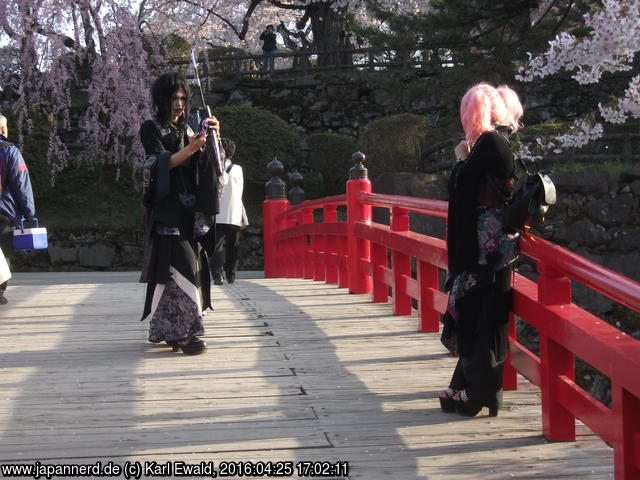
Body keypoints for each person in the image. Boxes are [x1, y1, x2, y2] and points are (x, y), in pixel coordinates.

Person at [439, 83, 523, 417]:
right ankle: (470, 390)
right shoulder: (500, 142)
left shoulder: (489, 142)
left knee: (477, 318)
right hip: (494, 247)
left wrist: (460, 158)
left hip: (484, 251)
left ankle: (479, 395)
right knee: (482, 318)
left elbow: (462, 186)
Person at [139, 72, 221, 355]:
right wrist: (191, 148)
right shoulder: (150, 129)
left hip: (190, 213)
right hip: (166, 211)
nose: (179, 103)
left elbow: (207, 165)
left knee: (182, 270)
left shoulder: (188, 129)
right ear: (161, 99)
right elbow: (161, 163)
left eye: (183, 98)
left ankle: (170, 330)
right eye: (174, 98)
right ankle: (186, 332)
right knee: (182, 265)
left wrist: (212, 136)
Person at [0, 113, 36, 305]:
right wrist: (29, 211)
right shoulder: (9, 151)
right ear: (3, 129)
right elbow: (21, 183)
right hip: (3, 212)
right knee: (2, 253)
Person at [211, 138, 246, 285]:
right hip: (235, 213)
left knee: (216, 246)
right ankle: (231, 274)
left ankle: (217, 276)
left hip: (218, 212)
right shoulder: (238, 169)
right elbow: (240, 192)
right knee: (233, 245)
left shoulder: (214, 167)